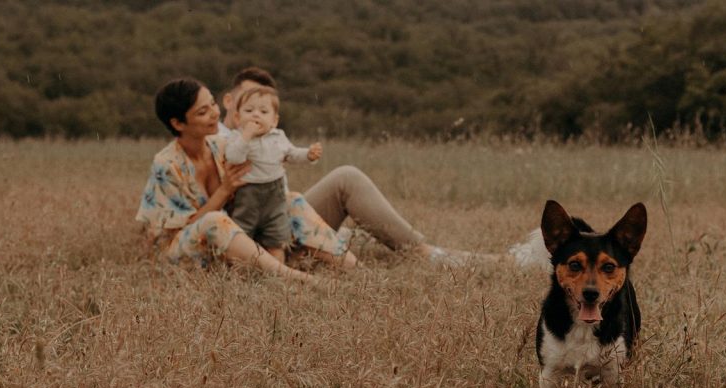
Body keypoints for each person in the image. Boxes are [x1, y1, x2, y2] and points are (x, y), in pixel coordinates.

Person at [220, 67, 493, 264]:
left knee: (363, 230)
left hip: (283, 215)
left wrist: (308, 155)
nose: (255, 112)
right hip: (250, 229)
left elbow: (292, 158)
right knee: (346, 179)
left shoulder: (272, 138)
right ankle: (425, 253)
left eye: (262, 106)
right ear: (230, 103)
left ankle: (445, 255)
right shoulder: (221, 138)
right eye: (247, 104)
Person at [135, 77, 356, 283]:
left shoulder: (221, 146)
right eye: (203, 111)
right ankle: (297, 280)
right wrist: (224, 191)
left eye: (213, 104)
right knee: (214, 220)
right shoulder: (166, 164)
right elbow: (185, 229)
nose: (214, 113)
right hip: (180, 252)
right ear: (178, 123)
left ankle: (350, 264)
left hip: (234, 239)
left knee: (291, 200)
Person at [224, 85, 322, 264]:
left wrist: (308, 154)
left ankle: (278, 273)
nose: (256, 115)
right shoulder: (236, 137)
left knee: (276, 237)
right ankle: (238, 271)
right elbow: (234, 157)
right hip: (248, 194)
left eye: (263, 111)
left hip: (275, 195)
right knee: (242, 233)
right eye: (249, 110)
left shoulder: (278, 136)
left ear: (274, 121)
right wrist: (246, 136)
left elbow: (291, 154)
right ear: (237, 118)